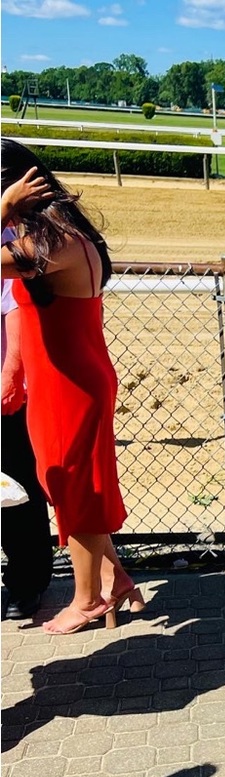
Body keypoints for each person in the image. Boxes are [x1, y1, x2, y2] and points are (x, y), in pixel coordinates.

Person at [1, 140, 143, 635]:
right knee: (66, 482)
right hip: (62, 378)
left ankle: (87, 600)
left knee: (75, 492)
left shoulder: (49, 242)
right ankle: (115, 579)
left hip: (69, 385)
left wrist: (2, 211)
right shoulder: (56, 234)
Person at [1, 226, 52, 620]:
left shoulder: (7, 236)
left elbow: (13, 304)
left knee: (14, 485)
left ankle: (27, 582)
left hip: (3, 389)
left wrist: (10, 374)